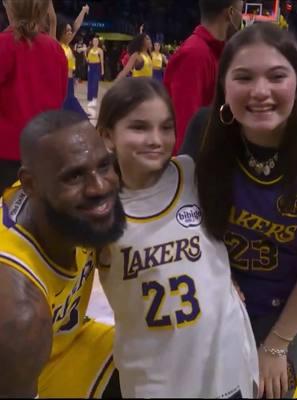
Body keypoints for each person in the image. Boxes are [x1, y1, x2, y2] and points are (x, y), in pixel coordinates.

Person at [96, 77, 258, 398]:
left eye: (166, 127)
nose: (156, 139)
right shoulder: (96, 210)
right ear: (107, 135)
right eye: (139, 127)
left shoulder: (191, 172)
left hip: (224, 357)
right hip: (154, 371)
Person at [184, 23, 297, 398]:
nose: (260, 92)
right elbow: (181, 217)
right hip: (214, 302)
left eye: (277, 76)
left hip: (286, 315)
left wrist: (277, 344)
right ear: (224, 86)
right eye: (244, 77)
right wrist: (212, 270)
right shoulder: (204, 129)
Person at [0, 110, 126, 398]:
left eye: (104, 166)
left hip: (67, 342)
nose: (99, 186)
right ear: (31, 184)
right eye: (75, 176)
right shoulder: (18, 312)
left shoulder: (55, 198)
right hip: (23, 374)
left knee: (173, 352)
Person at [0, 0, 68, 196]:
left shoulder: (4, 44)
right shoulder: (56, 49)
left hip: (5, 154)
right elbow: (60, 99)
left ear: (8, 6)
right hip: (43, 155)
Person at [164, 0, 244, 154]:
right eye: (241, 11)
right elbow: (186, 131)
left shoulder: (218, 52)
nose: (243, 18)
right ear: (231, 13)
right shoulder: (195, 55)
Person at [56, 5, 89, 118]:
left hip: (69, 84)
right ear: (60, 31)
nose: (70, 32)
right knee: (80, 117)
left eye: (70, 30)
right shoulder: (55, 45)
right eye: (67, 31)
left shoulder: (66, 45)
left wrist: (83, 11)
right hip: (60, 85)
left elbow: (76, 26)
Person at [86, 36, 104, 108]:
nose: (95, 42)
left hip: (97, 67)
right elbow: (88, 59)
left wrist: (102, 70)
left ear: (98, 42)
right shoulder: (90, 49)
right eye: (94, 41)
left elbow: (102, 61)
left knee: (95, 83)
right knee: (90, 83)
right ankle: (90, 99)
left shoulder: (100, 50)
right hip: (90, 67)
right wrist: (88, 66)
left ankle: (94, 99)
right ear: (92, 42)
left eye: (96, 41)